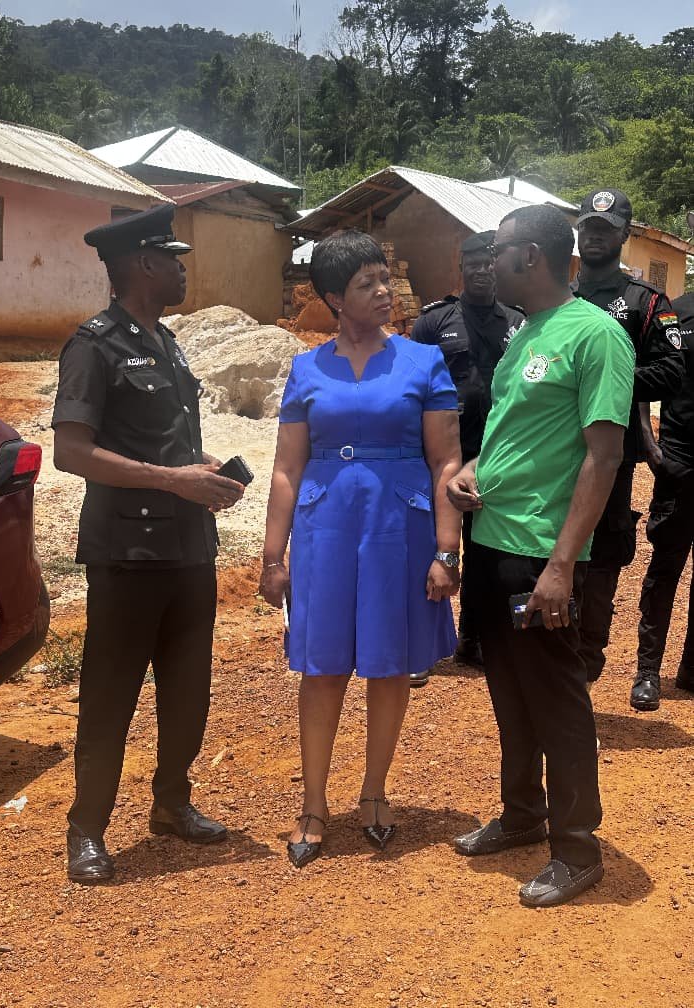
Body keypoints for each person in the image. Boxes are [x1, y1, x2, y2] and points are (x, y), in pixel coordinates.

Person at [52, 204, 246, 885]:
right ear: (142, 264)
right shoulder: (94, 346)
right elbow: (71, 452)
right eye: (173, 259)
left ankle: (172, 803)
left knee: (188, 689)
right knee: (111, 695)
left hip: (189, 547)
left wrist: (204, 472)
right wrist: (172, 480)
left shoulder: (168, 342)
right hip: (128, 554)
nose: (182, 270)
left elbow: (164, 442)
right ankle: (87, 829)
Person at [448, 205, 634, 907]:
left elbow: (604, 455)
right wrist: (472, 469)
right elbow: (513, 433)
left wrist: (562, 565)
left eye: (495, 252)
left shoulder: (596, 335)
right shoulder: (527, 331)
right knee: (509, 691)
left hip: (540, 555)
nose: (484, 265)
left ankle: (577, 848)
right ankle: (523, 813)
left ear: (529, 256)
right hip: (492, 542)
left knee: (557, 700)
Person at [259, 229, 461, 868]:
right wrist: (273, 556)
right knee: (322, 666)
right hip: (324, 529)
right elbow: (287, 468)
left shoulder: (422, 362)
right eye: (365, 283)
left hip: (399, 527)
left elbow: (446, 460)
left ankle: (374, 791)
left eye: (384, 278)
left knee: (389, 661)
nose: (383, 291)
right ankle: (313, 803)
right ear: (333, 299)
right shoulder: (305, 368)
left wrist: (447, 550)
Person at [571, 189, 683, 696]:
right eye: (589, 228)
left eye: (606, 229)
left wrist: (605, 382)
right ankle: (550, 669)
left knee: (602, 554)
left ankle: (588, 658)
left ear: (623, 236)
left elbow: (672, 372)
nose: (595, 236)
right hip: (554, 453)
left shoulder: (645, 302)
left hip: (611, 459)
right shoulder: (557, 298)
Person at [412, 231, 524, 676]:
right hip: (439, 453)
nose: (481, 270)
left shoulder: (518, 322)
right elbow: (411, 387)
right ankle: (420, 646)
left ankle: (472, 640)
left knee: (484, 550)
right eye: (473, 263)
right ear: (461, 268)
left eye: (488, 262)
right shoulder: (433, 322)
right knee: (429, 546)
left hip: (492, 453)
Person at [634, 292, 694, 709]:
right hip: (681, 460)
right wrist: (650, 445)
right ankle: (648, 672)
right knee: (665, 569)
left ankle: (691, 669)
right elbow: (640, 372)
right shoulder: (677, 312)